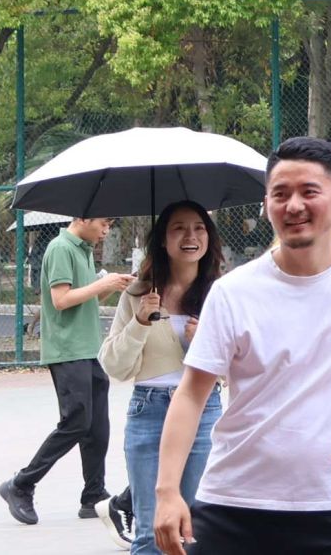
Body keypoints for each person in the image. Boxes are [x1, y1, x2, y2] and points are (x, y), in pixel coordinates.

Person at [152, 137, 331, 555]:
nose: (293, 205)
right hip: (232, 503)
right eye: (280, 194)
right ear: (267, 205)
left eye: (309, 191)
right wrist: (167, 491)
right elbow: (190, 394)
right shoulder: (233, 292)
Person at [98, 202, 224, 555]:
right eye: (178, 228)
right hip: (148, 410)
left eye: (199, 228)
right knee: (150, 532)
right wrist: (139, 322)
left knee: (196, 528)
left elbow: (239, 369)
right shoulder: (138, 294)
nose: (190, 236)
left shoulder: (222, 294)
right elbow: (115, 366)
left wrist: (201, 343)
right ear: (163, 241)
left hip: (203, 412)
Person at [0, 215, 133, 528]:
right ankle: (21, 484)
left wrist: (113, 286)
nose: (106, 230)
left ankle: (93, 495)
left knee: (98, 426)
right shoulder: (60, 248)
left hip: (89, 348)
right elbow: (60, 300)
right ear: (83, 218)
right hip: (67, 349)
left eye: (110, 225)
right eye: (104, 223)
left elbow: (86, 298)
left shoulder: (83, 250)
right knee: (76, 422)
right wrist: (102, 283)